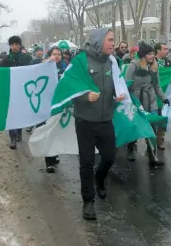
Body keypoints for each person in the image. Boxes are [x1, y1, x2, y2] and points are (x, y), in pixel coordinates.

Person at [72, 28, 123, 220]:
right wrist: (85, 96)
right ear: (98, 41)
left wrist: (117, 96)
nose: (113, 43)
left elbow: (116, 85)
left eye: (113, 40)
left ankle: (100, 178)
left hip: (105, 120)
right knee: (86, 162)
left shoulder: (113, 62)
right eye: (110, 39)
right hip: (84, 121)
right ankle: (88, 201)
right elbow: (69, 88)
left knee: (109, 157)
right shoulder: (80, 62)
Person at [125, 42, 169, 166]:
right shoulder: (134, 65)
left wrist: (164, 98)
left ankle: (152, 155)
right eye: (150, 54)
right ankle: (131, 148)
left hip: (151, 100)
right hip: (137, 100)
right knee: (135, 126)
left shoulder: (154, 67)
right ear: (143, 55)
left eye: (153, 54)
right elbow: (126, 83)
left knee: (152, 128)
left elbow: (157, 85)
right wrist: (128, 100)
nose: (152, 56)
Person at [34, 46, 67, 172]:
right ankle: (49, 161)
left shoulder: (65, 68)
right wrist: (45, 64)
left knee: (56, 131)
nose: (57, 56)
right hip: (45, 105)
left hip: (59, 105)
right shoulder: (44, 67)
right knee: (47, 131)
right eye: (54, 54)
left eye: (59, 54)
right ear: (49, 55)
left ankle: (54, 153)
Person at [0, 36, 32, 149]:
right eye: (12, 45)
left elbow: (33, 70)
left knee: (20, 113)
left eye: (16, 44)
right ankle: (12, 138)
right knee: (10, 114)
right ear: (10, 46)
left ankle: (19, 132)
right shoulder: (6, 59)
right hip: (10, 91)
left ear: (19, 45)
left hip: (23, 90)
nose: (14, 46)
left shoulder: (26, 57)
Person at [154, 42, 171, 150]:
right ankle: (151, 140)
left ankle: (160, 140)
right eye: (164, 49)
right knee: (153, 118)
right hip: (152, 96)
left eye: (167, 49)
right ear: (157, 50)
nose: (167, 51)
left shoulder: (170, 64)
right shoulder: (151, 61)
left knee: (163, 118)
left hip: (164, 96)